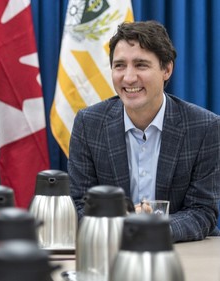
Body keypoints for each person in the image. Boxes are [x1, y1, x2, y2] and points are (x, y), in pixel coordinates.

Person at [68, 20, 220, 242]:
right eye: (120, 65)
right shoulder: (88, 124)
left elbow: (202, 212)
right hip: (111, 249)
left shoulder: (205, 127)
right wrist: (124, 225)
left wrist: (151, 228)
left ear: (166, 69)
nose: (128, 77)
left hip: (178, 251)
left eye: (141, 65)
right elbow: (79, 205)